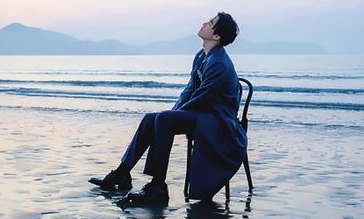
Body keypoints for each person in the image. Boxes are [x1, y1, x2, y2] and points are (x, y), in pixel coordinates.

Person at [89, 12, 247, 205]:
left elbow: (201, 98)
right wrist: (174, 111)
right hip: (202, 114)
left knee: (164, 119)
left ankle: (158, 187)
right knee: (151, 118)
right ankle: (122, 173)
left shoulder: (219, 63)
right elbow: (190, 89)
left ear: (216, 36)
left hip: (218, 122)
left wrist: (172, 116)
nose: (205, 22)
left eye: (211, 23)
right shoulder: (202, 55)